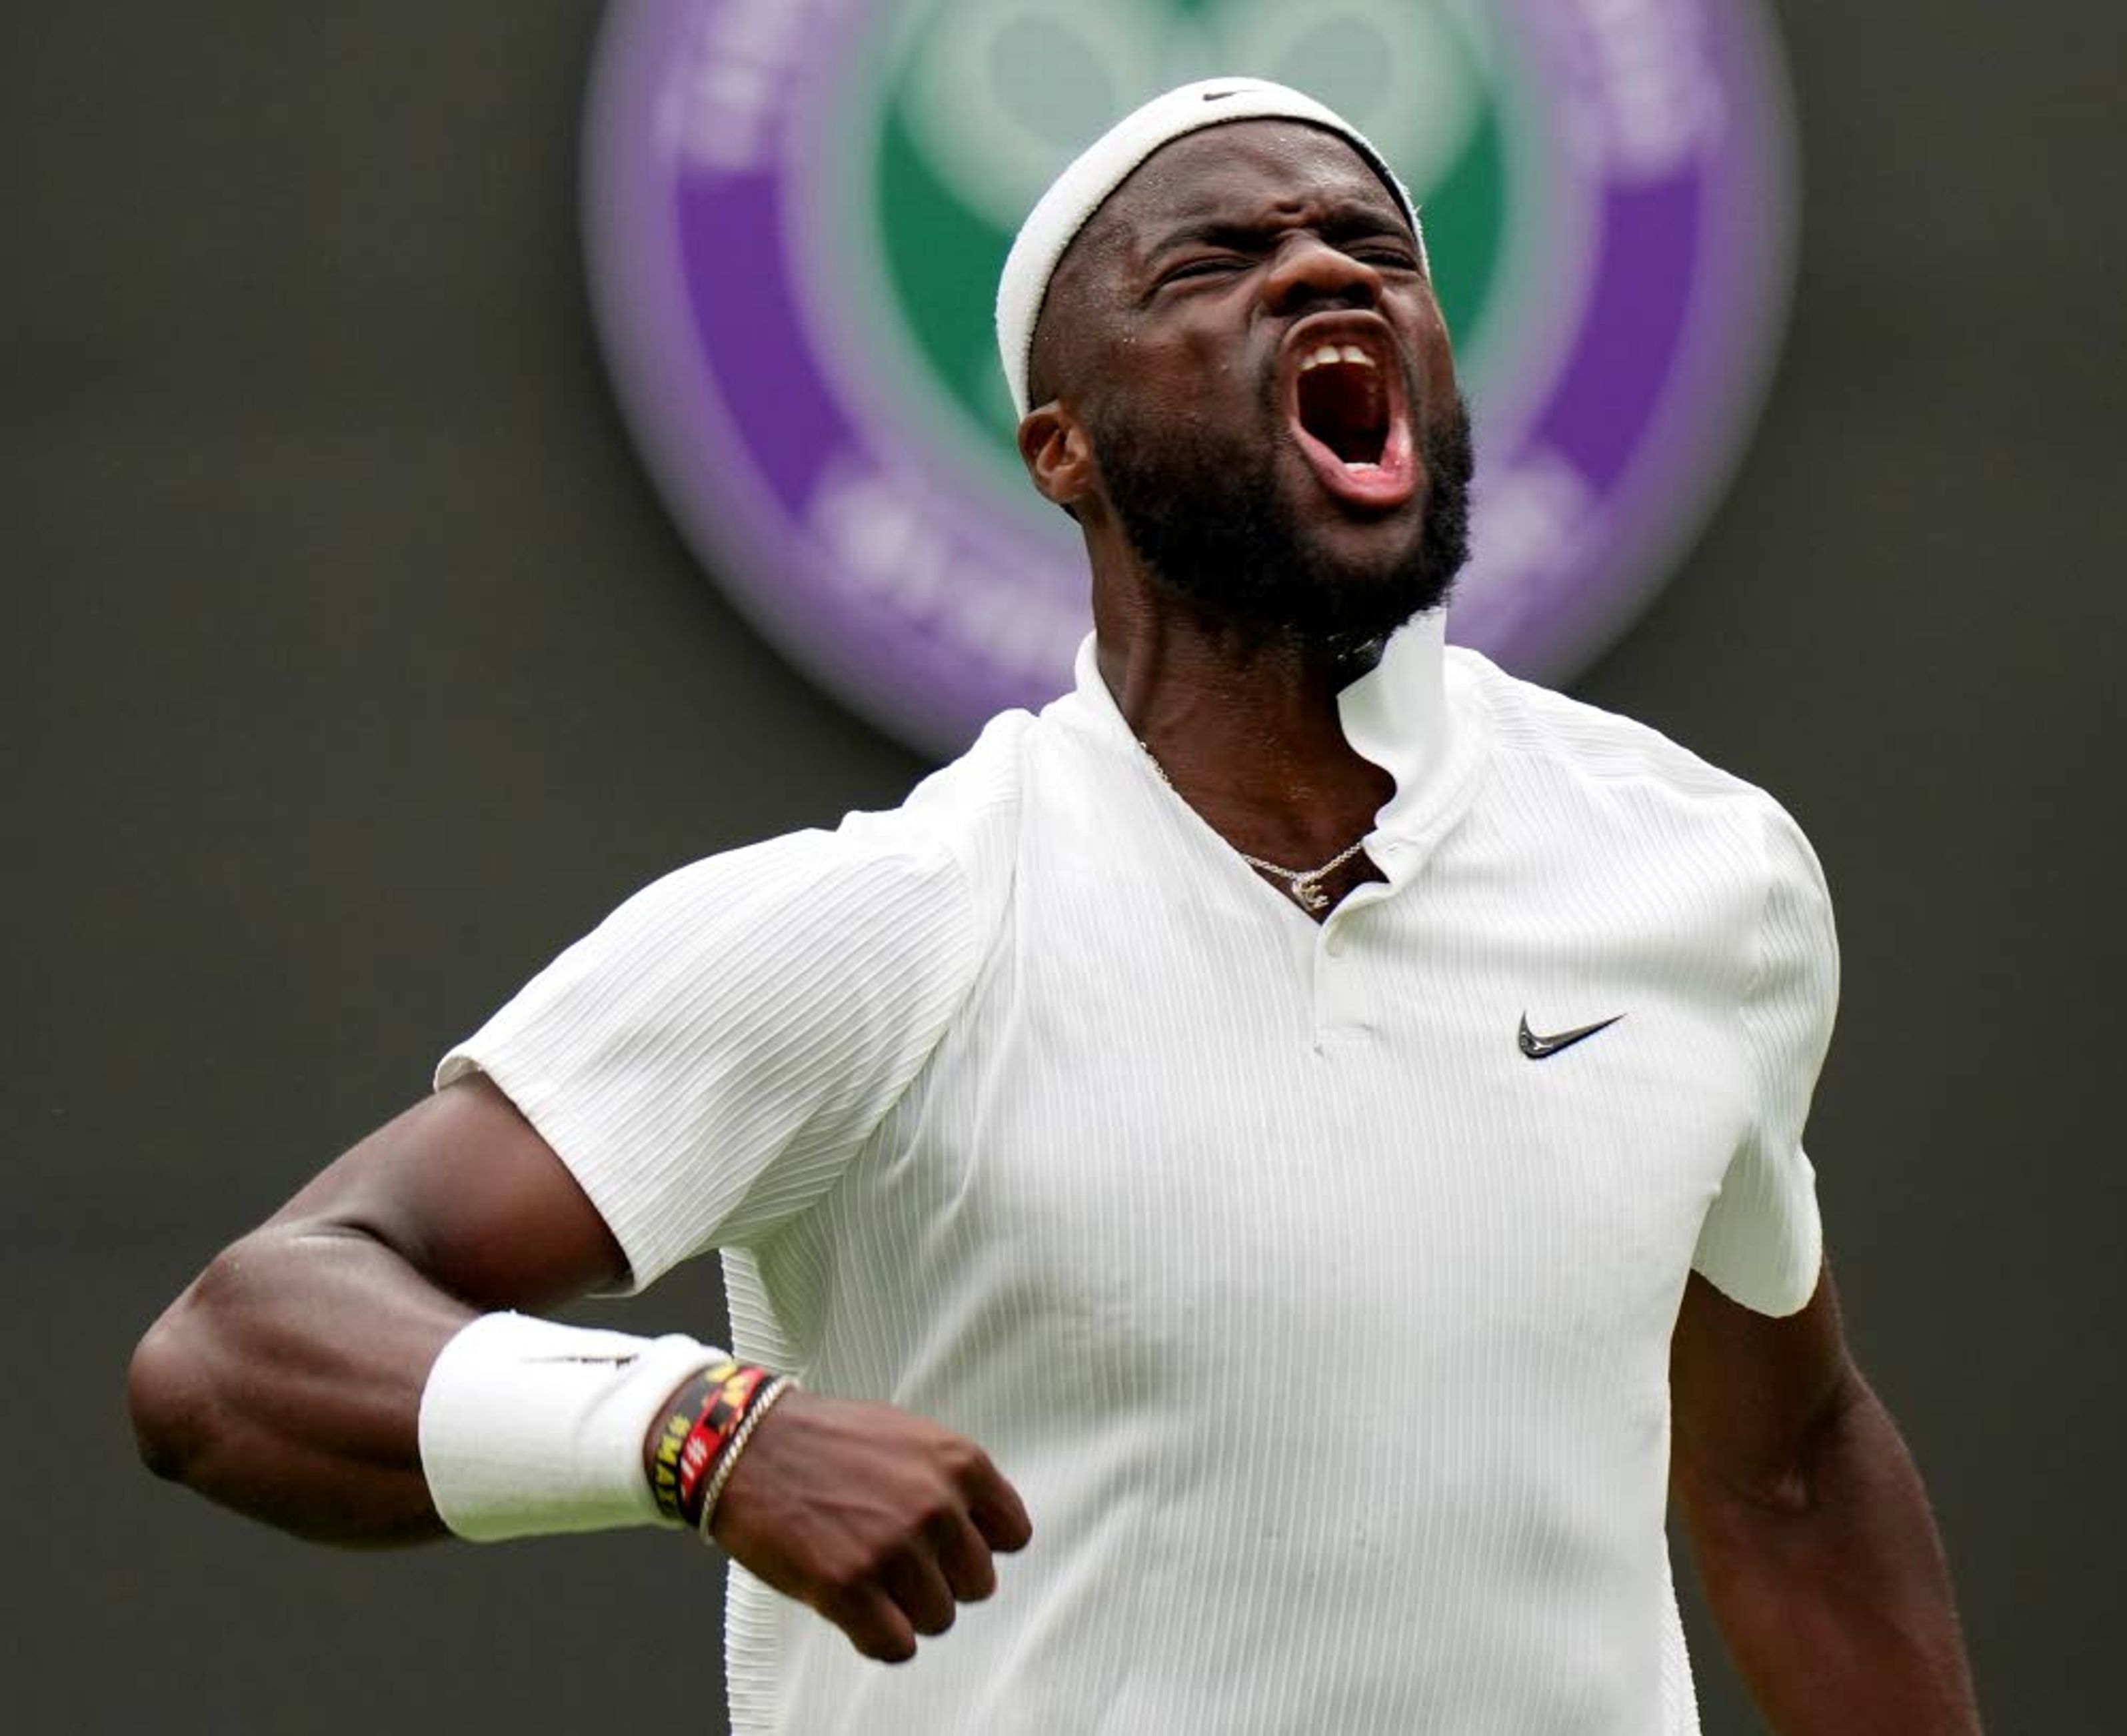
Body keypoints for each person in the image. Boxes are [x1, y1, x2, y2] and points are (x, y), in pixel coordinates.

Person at [128, 78, 1980, 1734]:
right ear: (1062, 448)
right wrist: (698, 1435)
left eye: (1372, 246)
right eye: (1214, 262)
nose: (1323, 274)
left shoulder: (1697, 876)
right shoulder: (891, 930)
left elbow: (1790, 1473)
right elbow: (236, 1351)